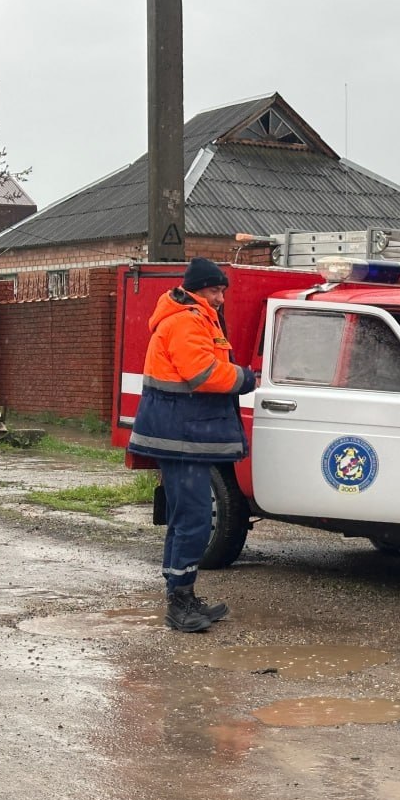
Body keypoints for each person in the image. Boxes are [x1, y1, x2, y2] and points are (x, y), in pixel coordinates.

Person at [127, 257, 256, 632]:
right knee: (194, 522)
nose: (220, 298)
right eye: (215, 291)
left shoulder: (197, 317)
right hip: (179, 436)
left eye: (222, 291)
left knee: (188, 520)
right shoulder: (185, 321)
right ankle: (179, 604)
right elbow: (203, 374)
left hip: (186, 435)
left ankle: (183, 594)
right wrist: (247, 378)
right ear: (198, 289)